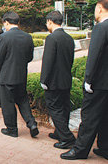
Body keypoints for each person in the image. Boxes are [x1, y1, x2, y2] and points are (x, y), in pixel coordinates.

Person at [61, 0, 108, 160]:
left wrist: (88, 79)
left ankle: (80, 150)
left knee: (89, 117)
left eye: (96, 8)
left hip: (99, 82)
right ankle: (105, 148)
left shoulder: (101, 27)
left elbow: (94, 56)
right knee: (105, 116)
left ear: (100, 9)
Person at [0, 11, 38, 138]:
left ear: (6, 22)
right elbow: (30, 57)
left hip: (6, 77)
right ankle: (32, 123)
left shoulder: (3, 37)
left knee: (8, 103)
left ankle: (12, 129)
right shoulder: (27, 37)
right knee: (23, 100)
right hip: (21, 75)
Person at [40, 11, 76, 149]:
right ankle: (59, 132)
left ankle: (67, 138)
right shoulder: (69, 38)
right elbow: (70, 60)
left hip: (53, 81)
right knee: (64, 107)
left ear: (50, 21)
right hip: (66, 79)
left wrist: (44, 80)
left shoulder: (52, 38)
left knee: (54, 108)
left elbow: (47, 62)